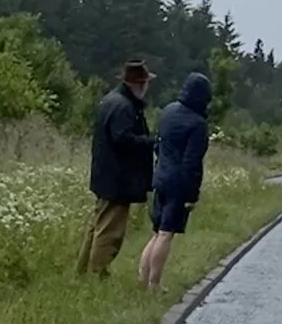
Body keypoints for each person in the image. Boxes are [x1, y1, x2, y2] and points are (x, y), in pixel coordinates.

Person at [79, 59, 157, 277]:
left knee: (97, 225)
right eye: (146, 83)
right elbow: (122, 140)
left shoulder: (111, 100)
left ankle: (83, 271)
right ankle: (98, 274)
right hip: (118, 180)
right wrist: (151, 142)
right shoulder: (124, 106)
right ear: (139, 84)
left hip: (106, 176)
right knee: (110, 231)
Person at [141, 73, 212, 289]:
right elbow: (192, 162)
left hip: (160, 175)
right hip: (178, 183)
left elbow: (157, 144)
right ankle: (154, 284)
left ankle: (143, 279)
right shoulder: (198, 124)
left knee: (156, 231)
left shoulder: (168, 111)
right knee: (166, 233)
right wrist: (192, 195)